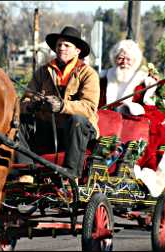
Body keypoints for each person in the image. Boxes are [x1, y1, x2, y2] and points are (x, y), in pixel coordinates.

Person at [17, 26, 100, 185]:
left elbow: (89, 108)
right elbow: (24, 101)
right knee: (20, 122)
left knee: (76, 119)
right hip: (49, 130)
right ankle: (26, 174)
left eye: (67, 45)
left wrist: (62, 106)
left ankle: (71, 176)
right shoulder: (43, 72)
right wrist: (33, 104)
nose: (61, 48)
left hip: (78, 133)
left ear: (77, 51)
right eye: (59, 45)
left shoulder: (88, 73)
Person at [99, 39, 165, 197]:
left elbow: (157, 112)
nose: (124, 62)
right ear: (114, 59)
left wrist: (133, 108)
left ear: (134, 61)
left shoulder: (144, 82)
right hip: (105, 130)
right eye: (120, 58)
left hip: (132, 131)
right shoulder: (104, 80)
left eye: (128, 59)